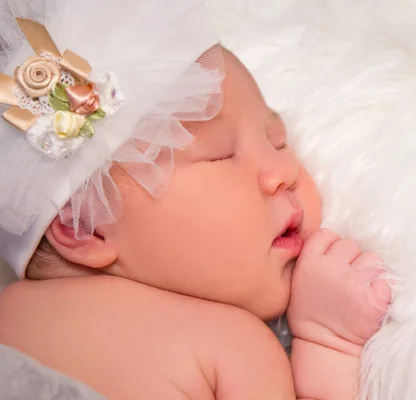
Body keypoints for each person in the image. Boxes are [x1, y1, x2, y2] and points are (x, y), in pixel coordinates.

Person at [0, 1, 390, 398]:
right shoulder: (232, 347)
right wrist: (329, 343)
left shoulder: (11, 317)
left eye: (278, 142)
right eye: (221, 154)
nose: (284, 172)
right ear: (84, 224)